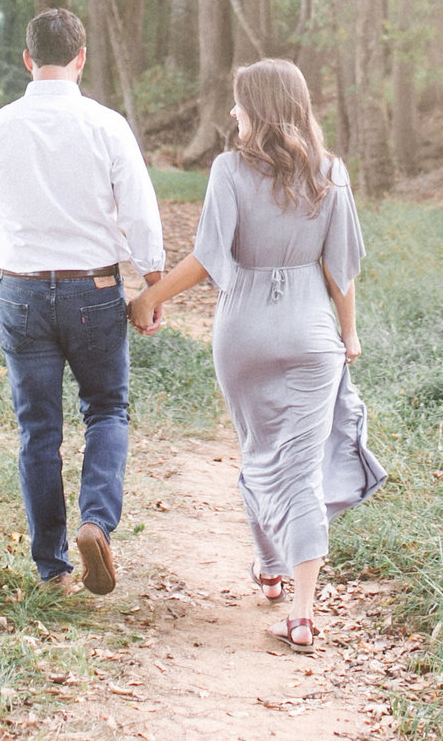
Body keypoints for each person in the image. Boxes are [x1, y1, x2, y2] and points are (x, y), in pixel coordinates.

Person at [129, 58, 384, 651]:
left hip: (244, 330)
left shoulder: (228, 170)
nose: (233, 113)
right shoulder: (331, 172)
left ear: (259, 108)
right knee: (301, 467)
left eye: (239, 103)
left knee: (258, 451)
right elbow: (340, 268)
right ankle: (301, 610)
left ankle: (270, 567)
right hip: (311, 331)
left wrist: (148, 298)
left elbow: (207, 260)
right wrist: (349, 334)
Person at [0, 7, 165, 595]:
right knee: (106, 410)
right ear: (81, 59)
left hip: (20, 289)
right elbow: (140, 213)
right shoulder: (106, 125)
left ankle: (52, 567)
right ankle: (96, 521)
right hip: (94, 289)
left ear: (27, 60)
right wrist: (151, 280)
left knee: (37, 430)